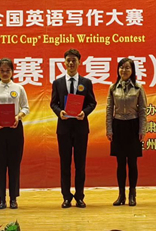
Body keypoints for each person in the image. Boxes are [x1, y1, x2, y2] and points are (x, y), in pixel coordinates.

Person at [50, 48, 97, 208]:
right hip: (63, 129)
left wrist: (85, 112)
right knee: (65, 164)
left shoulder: (86, 82)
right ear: (64, 63)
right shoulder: (57, 83)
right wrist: (59, 112)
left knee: (80, 164)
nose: (71, 63)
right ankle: (66, 197)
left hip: (80, 128)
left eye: (74, 60)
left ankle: (79, 196)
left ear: (79, 62)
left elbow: (92, 103)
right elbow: (53, 103)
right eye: (68, 60)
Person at [0, 58, 30, 210]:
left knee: (14, 165)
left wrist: (18, 116)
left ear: (12, 72)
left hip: (15, 129)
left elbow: (26, 107)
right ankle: (1, 198)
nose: (5, 73)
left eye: (8, 70)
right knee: (0, 165)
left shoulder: (19, 88)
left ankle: (13, 198)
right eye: (2, 71)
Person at [106, 57, 147, 206]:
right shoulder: (113, 88)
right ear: (118, 70)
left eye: (127, 68)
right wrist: (109, 129)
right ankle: (121, 195)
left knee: (133, 163)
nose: (124, 70)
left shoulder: (138, 88)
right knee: (120, 163)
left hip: (133, 126)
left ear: (132, 70)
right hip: (118, 126)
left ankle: (132, 195)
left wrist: (142, 129)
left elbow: (142, 110)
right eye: (122, 67)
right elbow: (109, 110)